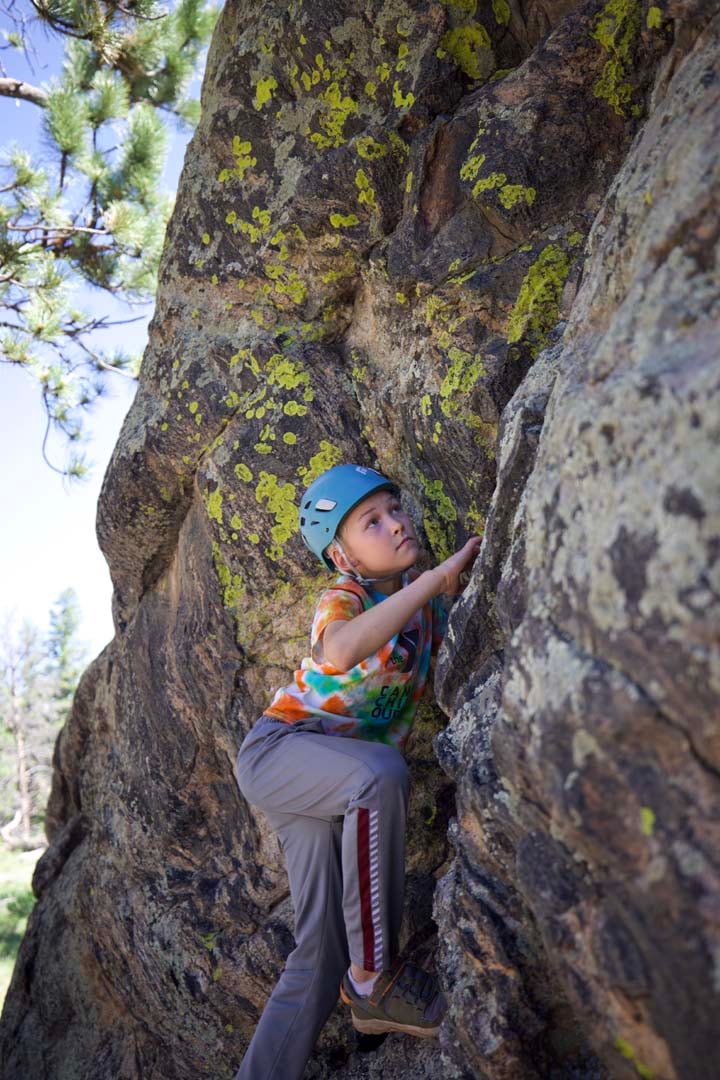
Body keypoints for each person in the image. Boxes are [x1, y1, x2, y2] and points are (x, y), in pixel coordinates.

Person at [233, 464, 481, 1080]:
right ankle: (373, 982)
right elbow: (341, 650)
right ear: (343, 555)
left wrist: (449, 585)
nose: (396, 523)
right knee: (379, 772)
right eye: (373, 521)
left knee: (317, 958)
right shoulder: (344, 598)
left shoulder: (424, 611)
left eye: (395, 509)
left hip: (324, 782)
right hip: (280, 753)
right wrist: (434, 581)